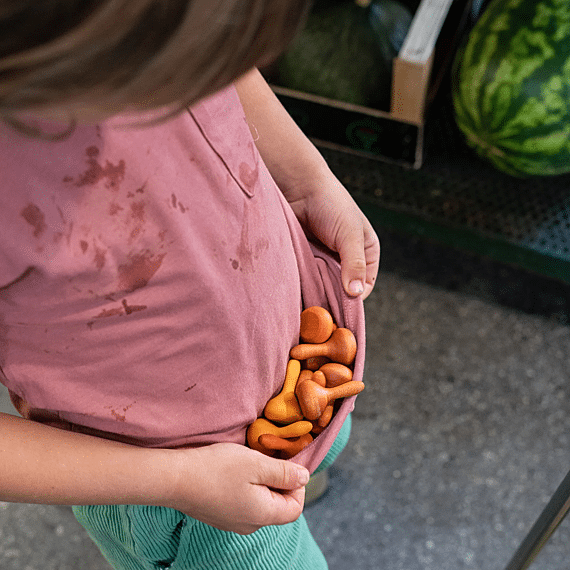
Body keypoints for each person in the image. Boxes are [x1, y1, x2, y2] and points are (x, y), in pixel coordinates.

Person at [0, 1, 380, 569]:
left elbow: (209, 54)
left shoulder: (162, 23)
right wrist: (177, 479)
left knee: (312, 459)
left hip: (289, 347)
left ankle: (302, 484)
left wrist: (306, 179)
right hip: (183, 493)